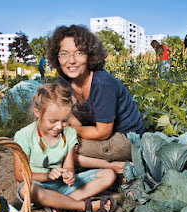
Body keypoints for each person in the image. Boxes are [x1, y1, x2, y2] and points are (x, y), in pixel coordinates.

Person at [46, 25, 144, 174]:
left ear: (90, 55)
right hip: (95, 132)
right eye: (64, 54)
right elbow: (64, 116)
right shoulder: (63, 83)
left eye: (79, 53)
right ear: (57, 57)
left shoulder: (102, 83)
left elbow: (103, 132)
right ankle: (108, 169)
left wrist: (66, 130)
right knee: (55, 141)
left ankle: (118, 168)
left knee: (59, 146)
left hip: (125, 139)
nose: (71, 60)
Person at [13, 82, 117, 212]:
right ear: (37, 113)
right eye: (53, 121)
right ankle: (83, 206)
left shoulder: (69, 133)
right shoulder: (24, 136)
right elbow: (20, 174)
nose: (59, 126)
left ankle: (61, 205)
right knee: (26, 189)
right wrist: (47, 176)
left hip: (62, 187)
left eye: (64, 120)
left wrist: (69, 175)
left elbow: (68, 166)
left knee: (108, 174)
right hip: (39, 187)